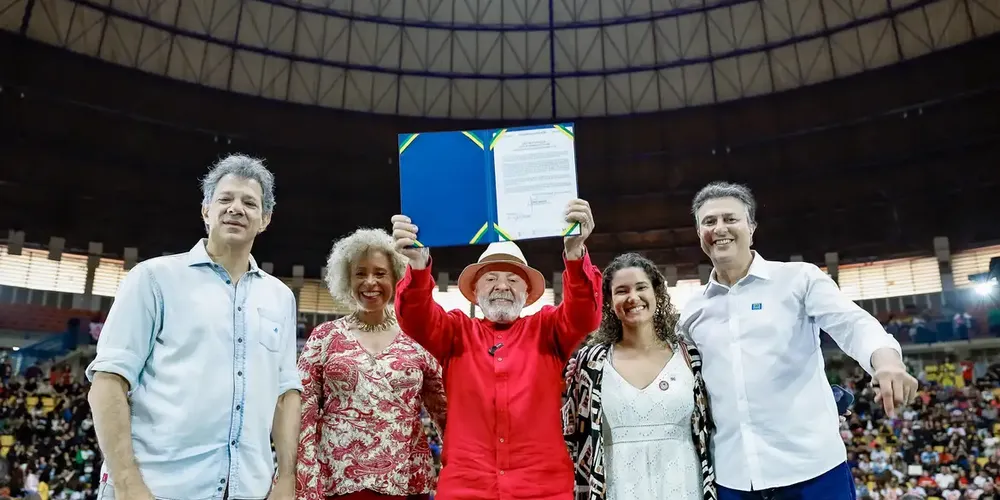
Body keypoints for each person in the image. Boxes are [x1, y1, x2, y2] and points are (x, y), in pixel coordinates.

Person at [678, 181, 919, 500]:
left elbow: (852, 323)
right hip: (733, 479)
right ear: (699, 234)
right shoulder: (692, 311)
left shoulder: (798, 279)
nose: (720, 228)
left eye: (730, 218)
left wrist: (887, 362)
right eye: (709, 222)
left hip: (814, 472)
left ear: (751, 226)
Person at [85, 154, 302, 500]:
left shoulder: (280, 297)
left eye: (249, 202)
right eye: (225, 199)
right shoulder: (153, 279)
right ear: (205, 210)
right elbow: (107, 383)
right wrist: (128, 484)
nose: (236, 208)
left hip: (249, 489)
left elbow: (286, 396)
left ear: (265, 219)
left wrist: (287, 479)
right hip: (157, 488)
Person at [389, 198, 602, 500]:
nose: (502, 285)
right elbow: (414, 317)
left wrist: (574, 253)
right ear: (474, 293)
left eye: (513, 279)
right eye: (490, 278)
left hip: (542, 490)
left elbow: (584, 314)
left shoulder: (548, 329)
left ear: (527, 293)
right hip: (467, 488)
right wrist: (418, 265)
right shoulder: (455, 332)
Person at [296, 228, 447, 500]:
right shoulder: (324, 336)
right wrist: (305, 483)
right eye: (360, 273)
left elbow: (445, 413)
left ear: (397, 276)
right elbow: (303, 414)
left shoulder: (418, 337)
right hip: (337, 483)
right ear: (346, 278)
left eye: (380, 273)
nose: (370, 282)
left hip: (407, 483)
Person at [562, 252, 717, 500]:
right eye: (621, 291)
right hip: (617, 488)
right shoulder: (589, 363)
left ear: (656, 292)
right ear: (610, 302)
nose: (633, 297)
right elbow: (571, 437)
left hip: (685, 486)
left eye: (641, 287)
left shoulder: (690, 356)